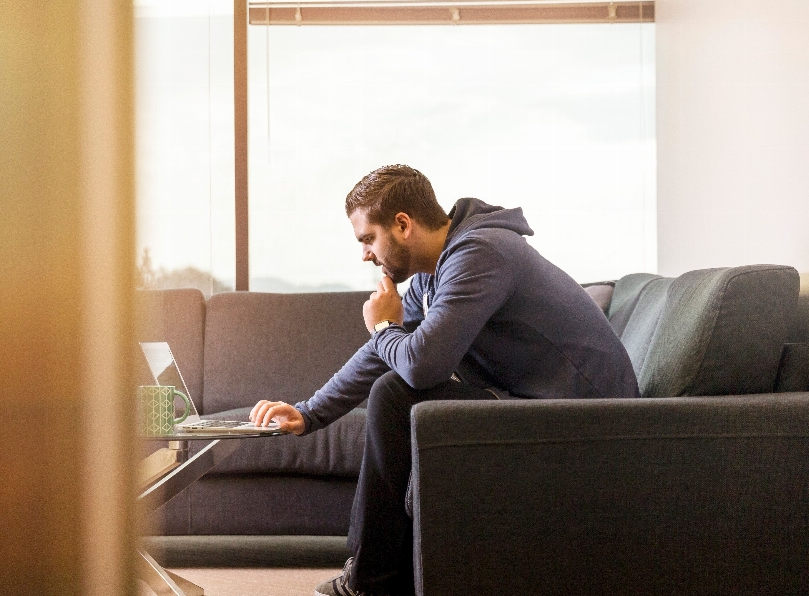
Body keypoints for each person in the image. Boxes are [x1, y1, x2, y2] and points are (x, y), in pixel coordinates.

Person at [249, 164, 639, 596]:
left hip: (592, 421)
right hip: (533, 403)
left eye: (367, 239)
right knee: (394, 388)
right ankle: (374, 576)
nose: (365, 255)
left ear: (402, 225)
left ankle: (371, 581)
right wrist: (309, 413)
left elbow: (420, 366)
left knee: (398, 393)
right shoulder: (435, 275)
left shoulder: (481, 253)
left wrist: (383, 328)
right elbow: (380, 357)